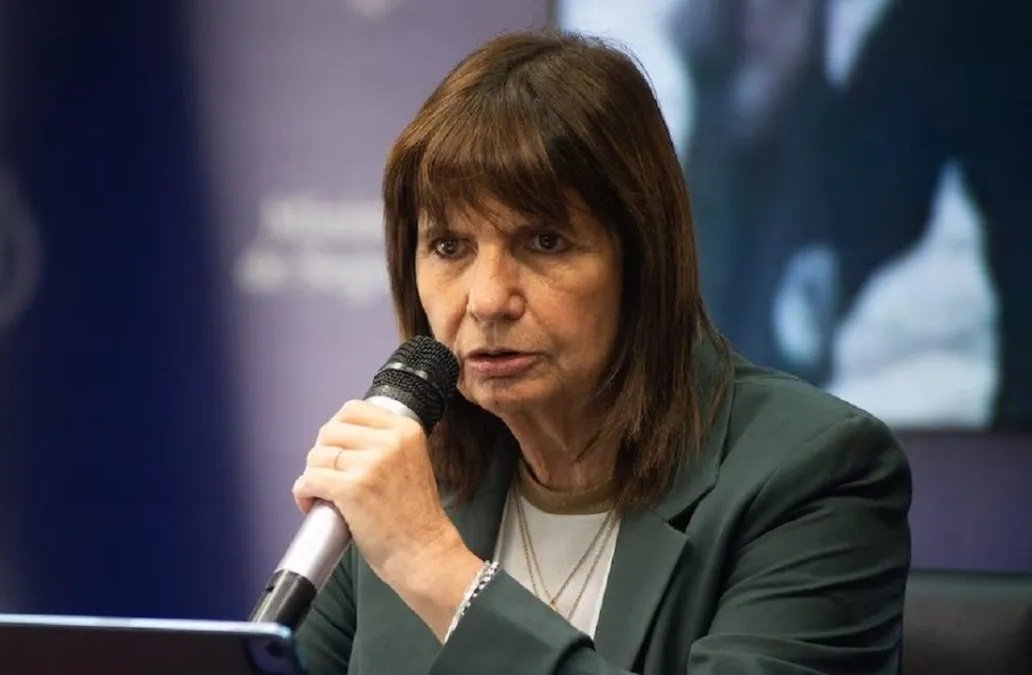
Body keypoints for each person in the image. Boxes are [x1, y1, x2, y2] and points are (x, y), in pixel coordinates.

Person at [290, 31, 911, 674]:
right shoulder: (419, 480)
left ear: (642, 261)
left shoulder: (812, 474)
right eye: (449, 247)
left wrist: (431, 564)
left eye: (545, 242)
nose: (488, 300)